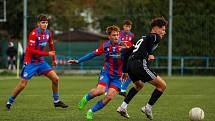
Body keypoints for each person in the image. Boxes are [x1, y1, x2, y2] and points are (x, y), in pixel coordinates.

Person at [6, 14, 68, 111]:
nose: (45, 24)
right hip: (30, 62)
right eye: (43, 22)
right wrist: (48, 54)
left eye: (47, 22)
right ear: (38, 23)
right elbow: (31, 51)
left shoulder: (48, 33)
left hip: (40, 61)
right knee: (23, 84)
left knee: (55, 79)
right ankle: (10, 101)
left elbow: (51, 46)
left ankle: (56, 102)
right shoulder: (34, 34)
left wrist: (54, 60)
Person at [68, 25, 128, 120]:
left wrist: (128, 51)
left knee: (109, 97)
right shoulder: (105, 46)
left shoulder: (124, 45)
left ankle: (91, 111)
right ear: (109, 36)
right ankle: (86, 98)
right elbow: (92, 54)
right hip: (106, 73)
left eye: (117, 35)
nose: (116, 37)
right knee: (100, 91)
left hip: (117, 77)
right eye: (114, 35)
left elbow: (132, 56)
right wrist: (78, 61)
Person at [117, 17, 168, 120]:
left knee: (139, 85)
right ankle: (148, 108)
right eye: (162, 29)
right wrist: (150, 53)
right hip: (139, 64)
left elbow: (127, 53)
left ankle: (123, 107)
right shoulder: (155, 36)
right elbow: (151, 39)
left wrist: (125, 71)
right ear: (155, 28)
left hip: (131, 64)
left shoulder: (142, 38)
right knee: (162, 86)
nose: (164, 32)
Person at [118, 20, 135, 97]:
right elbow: (116, 43)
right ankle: (111, 89)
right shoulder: (119, 34)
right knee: (116, 72)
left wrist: (129, 47)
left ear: (131, 27)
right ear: (123, 27)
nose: (127, 28)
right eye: (126, 26)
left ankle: (122, 89)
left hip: (127, 55)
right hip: (118, 55)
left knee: (129, 72)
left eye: (129, 26)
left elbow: (129, 45)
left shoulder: (132, 35)